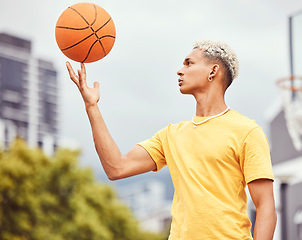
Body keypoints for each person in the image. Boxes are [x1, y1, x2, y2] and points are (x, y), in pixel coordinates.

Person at [66, 40, 277, 240]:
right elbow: (116, 167)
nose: (180, 70)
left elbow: (265, 207)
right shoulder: (172, 135)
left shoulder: (247, 131)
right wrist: (91, 106)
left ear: (213, 71)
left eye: (189, 63)